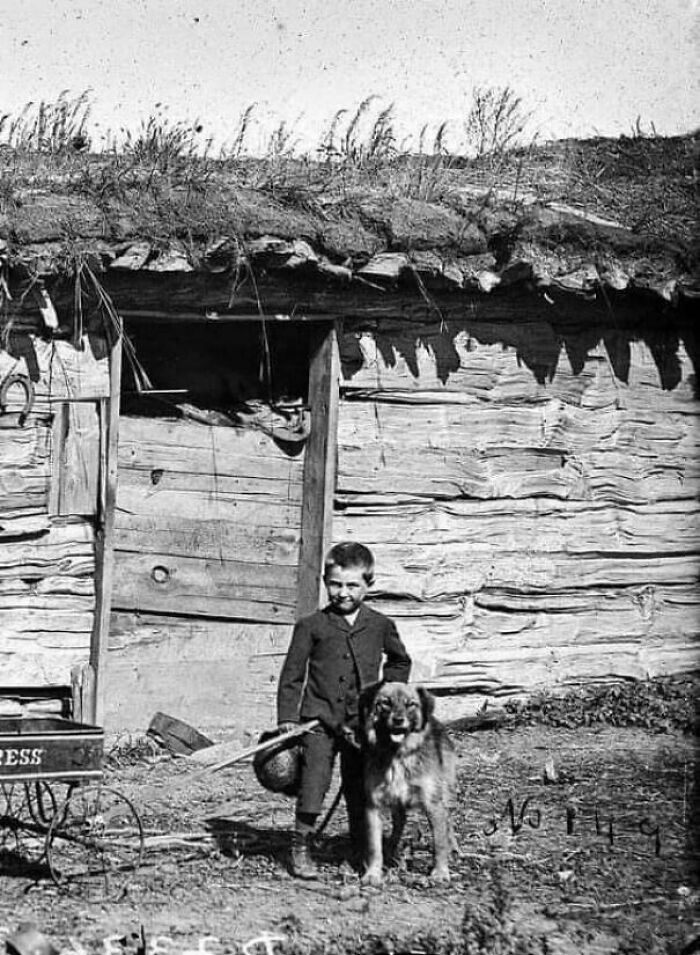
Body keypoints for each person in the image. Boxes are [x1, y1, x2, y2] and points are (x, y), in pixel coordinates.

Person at [277, 541, 411, 879]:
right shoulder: (311, 625)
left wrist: (386, 693)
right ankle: (302, 846)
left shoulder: (380, 625)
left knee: (359, 785)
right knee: (314, 780)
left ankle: (362, 845)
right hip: (318, 721)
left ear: (369, 584)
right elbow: (292, 675)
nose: (343, 592)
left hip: (360, 724)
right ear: (325, 581)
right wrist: (288, 720)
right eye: (335, 584)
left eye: (352, 585)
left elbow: (400, 660)